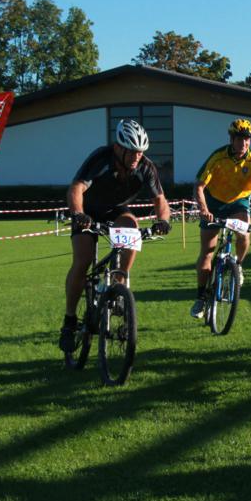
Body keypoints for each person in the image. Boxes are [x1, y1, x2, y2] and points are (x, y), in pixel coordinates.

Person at [60, 119, 171, 352]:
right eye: (133, 152)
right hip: (88, 212)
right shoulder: (101, 158)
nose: (137, 157)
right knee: (83, 260)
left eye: (141, 152)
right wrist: (78, 214)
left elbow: (160, 199)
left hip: (116, 210)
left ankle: (119, 284)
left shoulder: (146, 167)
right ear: (118, 148)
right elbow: (76, 188)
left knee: (131, 225)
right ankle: (69, 320)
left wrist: (163, 220)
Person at [190, 118, 251, 318]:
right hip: (214, 203)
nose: (244, 143)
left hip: (238, 203)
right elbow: (199, 186)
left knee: (244, 232)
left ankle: (238, 266)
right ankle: (200, 297)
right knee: (207, 252)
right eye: (240, 139)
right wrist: (204, 209)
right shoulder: (218, 157)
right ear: (231, 139)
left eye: (247, 139)